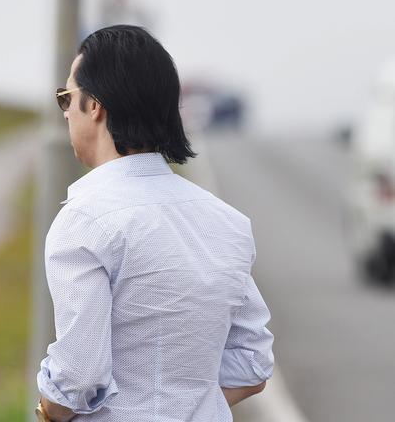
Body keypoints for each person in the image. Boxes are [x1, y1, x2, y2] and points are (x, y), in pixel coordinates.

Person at [34, 25, 274, 422]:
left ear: (94, 105)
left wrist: (45, 412)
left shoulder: (83, 220)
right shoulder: (226, 222)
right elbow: (252, 362)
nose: (65, 113)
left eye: (66, 98)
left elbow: (78, 375)